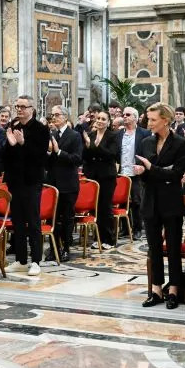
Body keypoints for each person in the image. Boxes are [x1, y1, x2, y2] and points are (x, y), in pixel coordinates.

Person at [135, 103, 185, 310]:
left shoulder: (180, 143)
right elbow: (151, 173)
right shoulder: (147, 142)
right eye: (148, 119)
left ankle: (174, 288)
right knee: (154, 247)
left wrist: (151, 168)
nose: (149, 123)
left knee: (174, 246)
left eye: (153, 119)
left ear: (165, 120)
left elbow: (176, 174)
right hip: (150, 199)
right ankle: (156, 288)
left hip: (171, 200)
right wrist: (146, 171)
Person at [3, 95, 49, 276]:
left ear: (32, 108)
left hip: (32, 181)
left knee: (33, 221)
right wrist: (12, 145)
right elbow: (7, 156)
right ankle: (21, 260)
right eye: (17, 106)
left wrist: (23, 143)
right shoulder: (13, 126)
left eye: (23, 106)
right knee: (18, 222)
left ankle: (36, 260)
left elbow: (40, 157)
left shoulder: (41, 129)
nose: (19, 110)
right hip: (15, 181)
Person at [46, 106, 83, 260]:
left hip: (68, 184)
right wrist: (48, 153)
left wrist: (59, 152)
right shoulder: (52, 134)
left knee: (67, 218)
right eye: (52, 115)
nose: (54, 117)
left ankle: (66, 248)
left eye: (57, 115)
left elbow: (77, 159)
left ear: (65, 117)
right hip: (53, 183)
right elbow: (49, 162)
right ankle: (54, 248)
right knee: (52, 217)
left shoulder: (75, 136)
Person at [82, 111, 121, 250]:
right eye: (98, 118)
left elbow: (113, 155)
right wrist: (88, 146)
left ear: (108, 122)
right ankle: (97, 238)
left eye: (103, 119)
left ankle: (109, 240)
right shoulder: (90, 135)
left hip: (107, 176)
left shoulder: (113, 136)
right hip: (93, 176)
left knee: (105, 207)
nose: (99, 121)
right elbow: (85, 156)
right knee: (95, 208)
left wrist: (98, 146)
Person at [118, 107, 151, 240]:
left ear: (135, 118)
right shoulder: (118, 134)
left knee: (136, 201)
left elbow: (148, 153)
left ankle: (137, 228)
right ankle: (125, 228)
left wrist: (142, 166)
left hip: (136, 173)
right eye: (123, 114)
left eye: (128, 115)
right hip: (121, 173)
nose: (124, 116)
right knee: (121, 202)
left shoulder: (144, 133)